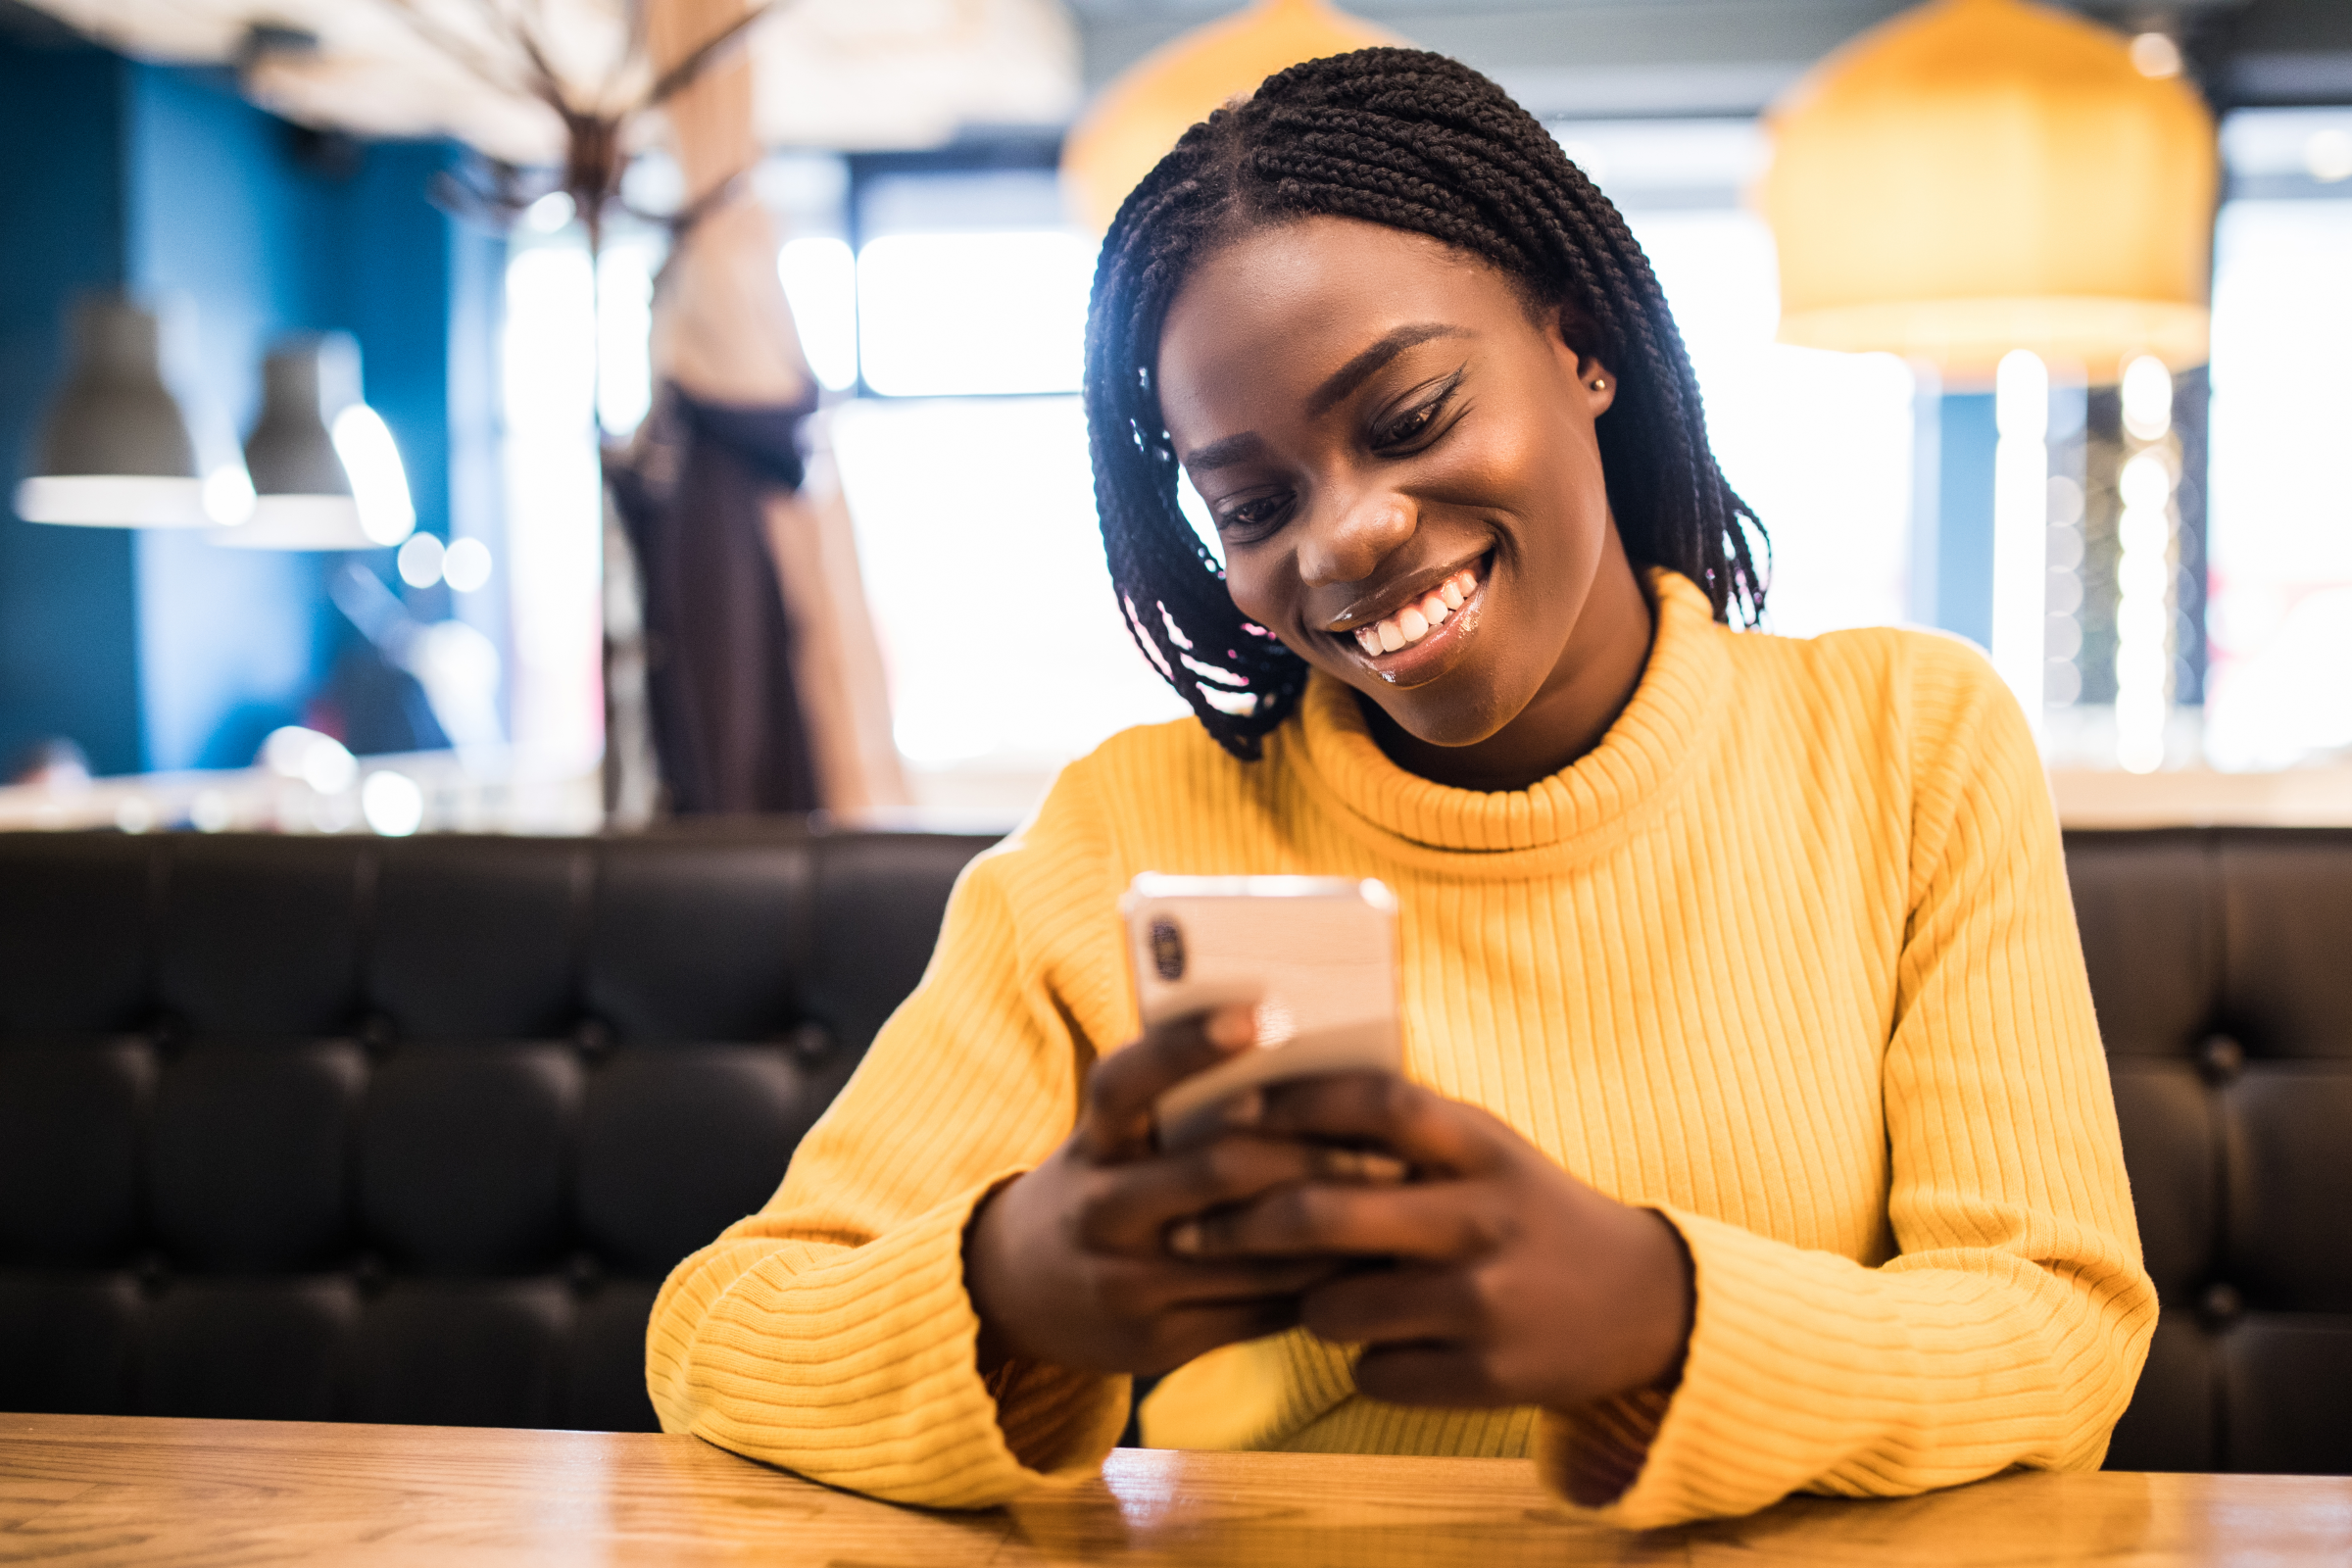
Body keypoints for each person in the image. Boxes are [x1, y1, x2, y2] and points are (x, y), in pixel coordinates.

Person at [646, 49, 2152, 1527]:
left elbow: (2058, 1326)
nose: (1346, 536)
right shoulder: (1123, 835)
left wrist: (1663, 1314)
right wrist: (1013, 1287)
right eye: (1253, 502)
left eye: (1411, 416)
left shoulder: (1907, 744)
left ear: (1580, 346)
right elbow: (720, 1331)